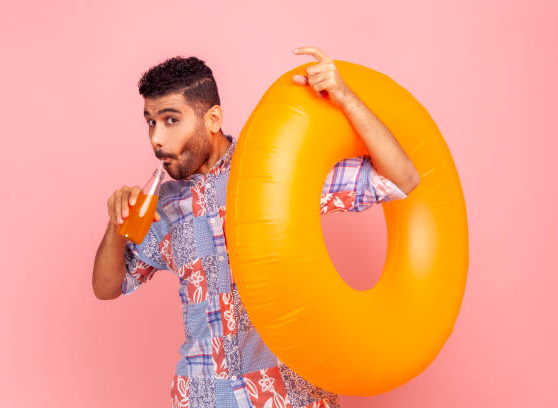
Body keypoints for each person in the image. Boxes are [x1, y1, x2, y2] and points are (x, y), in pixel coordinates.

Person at [92, 46, 420, 408]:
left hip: (290, 396)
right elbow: (109, 286)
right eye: (150, 122)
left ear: (212, 119)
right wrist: (115, 225)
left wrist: (346, 99)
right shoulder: (162, 207)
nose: (156, 139)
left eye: (171, 120)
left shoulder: (273, 169)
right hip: (203, 396)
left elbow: (401, 179)